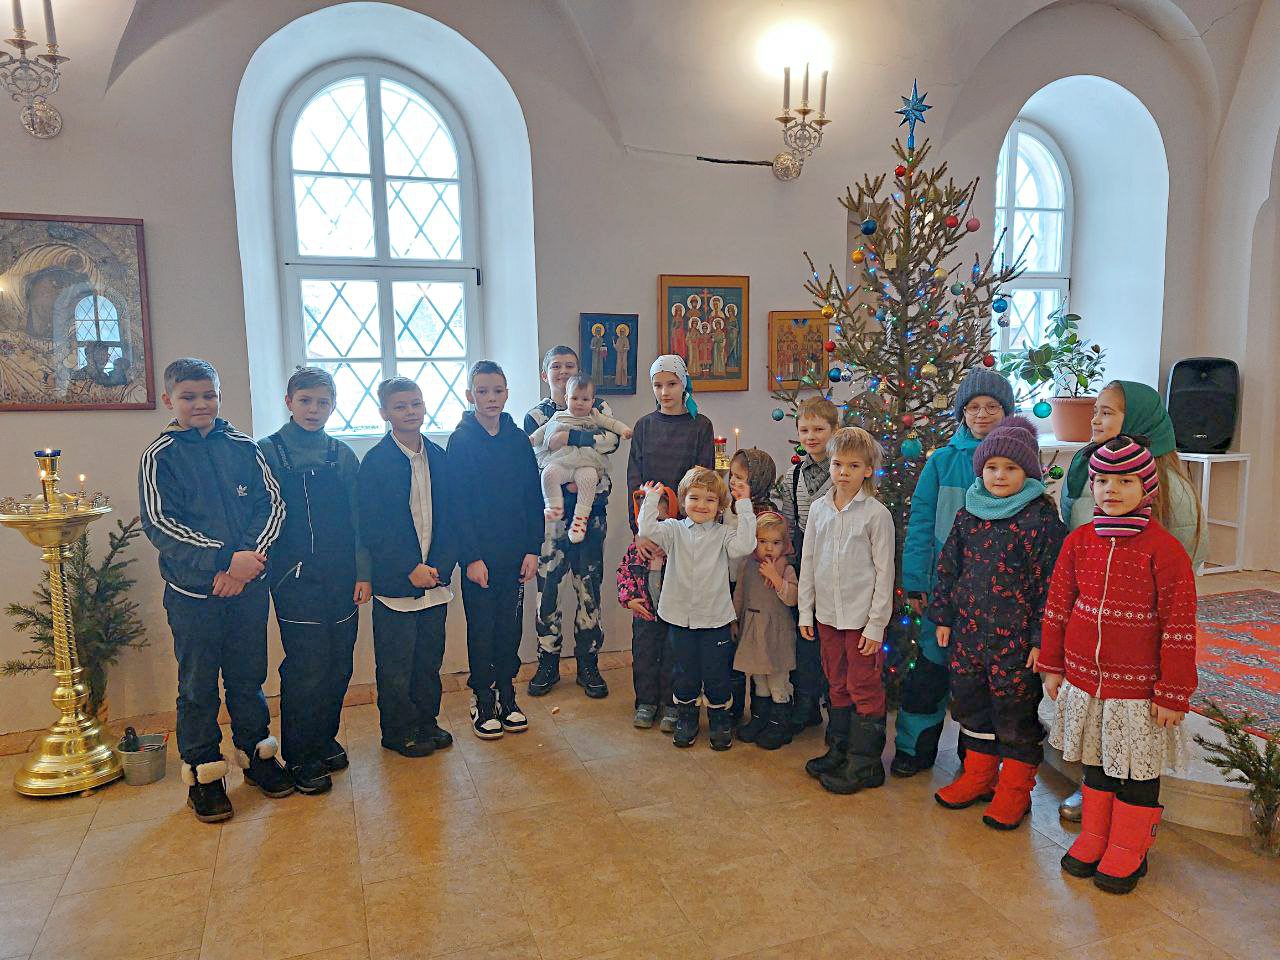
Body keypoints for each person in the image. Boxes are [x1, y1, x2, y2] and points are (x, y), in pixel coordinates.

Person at [1039, 436, 1198, 894]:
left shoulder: (1164, 550)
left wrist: (1173, 691)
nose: (1112, 489)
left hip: (1139, 692)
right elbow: (1058, 606)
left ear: (1146, 487)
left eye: (1125, 480)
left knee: (1136, 771)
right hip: (1086, 683)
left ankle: (1130, 846)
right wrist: (1053, 664)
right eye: (1104, 480)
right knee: (1096, 762)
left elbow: (1179, 625)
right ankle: (1096, 835)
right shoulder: (1079, 542)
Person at [138, 357, 290, 823]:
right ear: (169, 400)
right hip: (194, 597)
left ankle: (257, 755)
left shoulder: (244, 446)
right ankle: (204, 774)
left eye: (209, 395)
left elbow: (273, 506)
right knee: (197, 686)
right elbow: (160, 524)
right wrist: (224, 561)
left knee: (248, 678)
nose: (200, 404)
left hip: (247, 588)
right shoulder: (160, 455)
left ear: (220, 396)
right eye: (189, 397)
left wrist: (244, 564)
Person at [1056, 380, 1206, 822]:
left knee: (1133, 725)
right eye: (1095, 410)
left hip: (1138, 641)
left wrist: (1171, 681)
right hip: (1094, 632)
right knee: (1097, 722)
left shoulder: (1171, 490)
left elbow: (1179, 589)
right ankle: (1096, 795)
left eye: (1107, 412)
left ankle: (1130, 818)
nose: (1095, 419)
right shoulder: (1084, 468)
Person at [928, 417, 1067, 829]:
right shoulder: (968, 513)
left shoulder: (1041, 521)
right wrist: (943, 616)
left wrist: (1042, 639)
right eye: (992, 467)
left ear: (1028, 473)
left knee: (1014, 714)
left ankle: (1015, 790)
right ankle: (979, 776)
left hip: (1016, 644)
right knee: (971, 705)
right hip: (969, 636)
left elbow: (1052, 587)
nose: (1000, 476)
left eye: (1011, 468)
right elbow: (948, 568)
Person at [894, 368, 1014, 777]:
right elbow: (921, 522)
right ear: (962, 412)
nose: (982, 415)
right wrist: (916, 580)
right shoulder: (943, 463)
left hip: (994, 598)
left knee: (979, 682)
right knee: (930, 671)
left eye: (992, 407)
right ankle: (914, 747)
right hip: (944, 592)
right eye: (974, 407)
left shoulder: (1016, 465)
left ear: (1006, 411)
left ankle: (976, 761)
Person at [258, 367, 370, 794]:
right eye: (305, 401)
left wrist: (363, 572)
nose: (313, 409)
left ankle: (323, 738)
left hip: (341, 574)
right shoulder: (267, 452)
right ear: (289, 402)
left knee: (339, 662)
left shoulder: (342, 455)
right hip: (294, 578)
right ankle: (300, 755)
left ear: (333, 406)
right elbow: (260, 517)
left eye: (323, 402)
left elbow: (358, 520)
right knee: (307, 666)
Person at [359, 377, 458, 759]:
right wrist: (408, 567)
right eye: (400, 406)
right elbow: (374, 526)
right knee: (396, 664)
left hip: (435, 579)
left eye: (415, 404)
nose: (410, 411)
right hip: (396, 583)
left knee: (428, 660)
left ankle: (426, 721)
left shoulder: (439, 457)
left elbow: (451, 517)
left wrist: (438, 566)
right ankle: (398, 730)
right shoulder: (376, 462)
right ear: (384, 412)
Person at [799, 427, 896, 795]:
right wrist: (806, 611)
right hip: (827, 616)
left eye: (853, 466)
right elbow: (808, 561)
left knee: (863, 685)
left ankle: (865, 763)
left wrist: (876, 625)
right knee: (836, 682)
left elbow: (885, 572)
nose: (843, 472)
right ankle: (839, 750)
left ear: (868, 470)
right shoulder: (820, 510)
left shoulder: (876, 515)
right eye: (838, 464)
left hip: (860, 621)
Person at [449, 360, 543, 739]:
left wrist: (532, 549)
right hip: (479, 558)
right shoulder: (461, 440)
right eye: (482, 391)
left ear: (506, 394)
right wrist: (471, 557)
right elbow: (458, 505)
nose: (491, 398)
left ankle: (507, 693)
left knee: (509, 627)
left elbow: (532, 497)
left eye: (497, 391)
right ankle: (483, 698)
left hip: (514, 554)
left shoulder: (517, 439)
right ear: (470, 395)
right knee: (482, 629)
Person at [523, 346, 620, 700]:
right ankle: (548, 660)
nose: (563, 371)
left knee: (588, 586)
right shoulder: (536, 416)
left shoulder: (598, 408)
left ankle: (588, 662)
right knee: (548, 588)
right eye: (556, 366)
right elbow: (535, 456)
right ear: (545, 374)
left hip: (591, 515)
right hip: (552, 518)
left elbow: (609, 443)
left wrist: (570, 438)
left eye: (570, 366)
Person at [627, 354, 715, 730]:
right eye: (658, 385)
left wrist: (680, 533)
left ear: (684, 384)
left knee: (676, 627)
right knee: (646, 626)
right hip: (649, 537)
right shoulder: (644, 426)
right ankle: (646, 699)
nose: (665, 392)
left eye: (672, 384)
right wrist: (641, 531)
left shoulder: (700, 426)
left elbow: (703, 481)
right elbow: (634, 479)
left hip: (684, 539)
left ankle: (674, 702)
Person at [638, 467, 755, 749]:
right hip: (680, 619)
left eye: (710, 499)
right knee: (684, 672)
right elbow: (647, 529)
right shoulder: (673, 530)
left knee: (717, 673)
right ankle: (687, 718)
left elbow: (745, 546)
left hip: (715, 619)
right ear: (683, 500)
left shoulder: (724, 534)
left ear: (720, 505)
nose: (702, 505)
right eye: (694, 498)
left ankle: (719, 720)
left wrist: (744, 505)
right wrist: (651, 498)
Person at [773, 395, 839, 734]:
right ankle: (806, 703)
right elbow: (788, 519)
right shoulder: (793, 473)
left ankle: (834, 705)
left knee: (831, 634)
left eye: (819, 429)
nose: (811, 436)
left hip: (835, 559)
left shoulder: (842, 471)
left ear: (834, 430)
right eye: (804, 430)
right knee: (806, 632)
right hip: (803, 559)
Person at [529, 374, 632, 544]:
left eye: (585, 399)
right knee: (549, 474)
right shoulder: (558, 415)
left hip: (586, 461)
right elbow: (543, 430)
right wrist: (533, 438)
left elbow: (612, 425)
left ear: (592, 401)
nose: (579, 403)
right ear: (566, 398)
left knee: (589, 479)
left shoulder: (595, 415)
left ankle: (580, 520)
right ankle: (554, 506)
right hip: (562, 461)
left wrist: (624, 430)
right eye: (574, 398)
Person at [732, 512, 799, 750]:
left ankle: (780, 723)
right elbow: (740, 595)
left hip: (776, 633)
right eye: (763, 541)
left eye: (776, 542)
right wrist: (734, 620)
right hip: (753, 630)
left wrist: (776, 579)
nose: (769, 548)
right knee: (759, 679)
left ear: (785, 544)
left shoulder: (785, 568)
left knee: (777, 681)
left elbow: (793, 598)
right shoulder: (747, 566)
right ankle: (760, 718)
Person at [616, 485, 678, 729]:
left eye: (660, 522)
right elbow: (623, 575)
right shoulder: (635, 552)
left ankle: (672, 705)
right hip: (644, 618)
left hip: (673, 618)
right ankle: (646, 703)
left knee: (673, 660)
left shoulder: (678, 551)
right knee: (644, 659)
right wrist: (629, 600)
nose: (655, 530)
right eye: (649, 523)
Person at [727, 446, 780, 731]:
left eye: (742, 479)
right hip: (728, 585)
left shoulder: (767, 514)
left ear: (758, 481)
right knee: (732, 653)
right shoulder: (726, 507)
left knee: (756, 653)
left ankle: (765, 715)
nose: (734, 483)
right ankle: (733, 710)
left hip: (756, 590)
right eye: (732, 476)